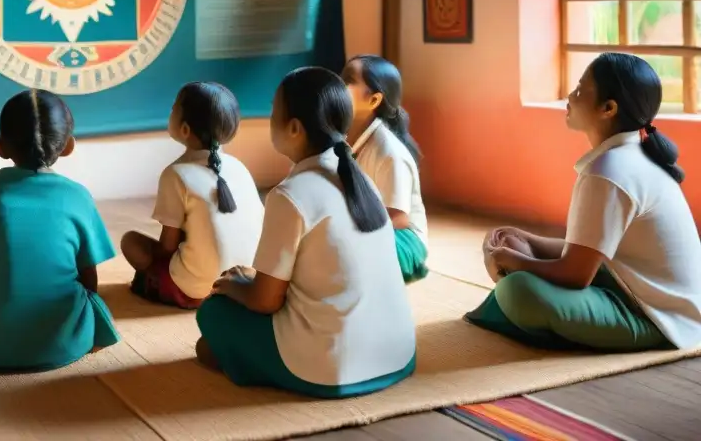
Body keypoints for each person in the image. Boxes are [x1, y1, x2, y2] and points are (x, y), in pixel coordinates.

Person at [195, 67, 417, 398]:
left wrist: (233, 287)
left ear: (295, 129)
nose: (271, 118)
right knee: (219, 339)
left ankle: (254, 362)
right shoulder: (362, 181)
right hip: (397, 355)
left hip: (331, 368)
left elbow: (265, 300)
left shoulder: (289, 194)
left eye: (274, 111)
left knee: (212, 314)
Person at [470, 53, 701, 352]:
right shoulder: (628, 157)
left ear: (608, 108)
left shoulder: (609, 171)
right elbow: (590, 254)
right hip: (640, 291)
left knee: (519, 290)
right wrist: (526, 241)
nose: (570, 96)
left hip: (658, 318)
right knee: (516, 249)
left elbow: (576, 274)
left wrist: (510, 261)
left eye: (580, 89)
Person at [0, 89, 120, 371]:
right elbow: (88, 275)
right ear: (68, 146)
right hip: (64, 344)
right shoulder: (78, 195)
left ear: (0, 147)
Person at [121, 82, 264, 309]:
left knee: (130, 242)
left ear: (185, 129)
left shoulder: (175, 174)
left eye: (172, 109)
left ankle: (157, 285)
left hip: (196, 290)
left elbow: (167, 247)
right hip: (245, 283)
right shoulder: (240, 167)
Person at [342, 55, 428, 282]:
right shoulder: (342, 138)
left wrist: (345, 236)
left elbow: (398, 219)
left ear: (373, 100)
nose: (339, 86)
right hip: (368, 232)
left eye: (348, 80)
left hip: (401, 241)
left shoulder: (390, 153)